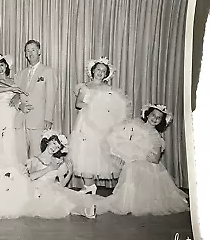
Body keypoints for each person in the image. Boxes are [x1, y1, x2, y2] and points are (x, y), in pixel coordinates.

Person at [96, 104, 189, 216]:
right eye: (153, 115)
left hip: (147, 164)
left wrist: (147, 156)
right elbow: (123, 138)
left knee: (137, 171)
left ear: (161, 121)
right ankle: (129, 200)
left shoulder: (155, 135)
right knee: (130, 169)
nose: (154, 119)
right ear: (147, 114)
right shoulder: (136, 124)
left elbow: (155, 159)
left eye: (158, 118)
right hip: (134, 161)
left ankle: (138, 201)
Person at [68, 57, 131, 193]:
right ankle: (88, 185)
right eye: (98, 69)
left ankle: (92, 186)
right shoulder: (85, 86)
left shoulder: (108, 89)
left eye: (103, 71)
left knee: (98, 151)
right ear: (93, 71)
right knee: (84, 151)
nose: (100, 72)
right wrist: (91, 106)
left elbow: (113, 106)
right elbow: (78, 104)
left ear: (106, 74)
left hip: (101, 123)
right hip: (85, 122)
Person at [25, 131, 98, 219]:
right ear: (48, 141)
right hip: (38, 190)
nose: (54, 148)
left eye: (58, 147)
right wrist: (49, 168)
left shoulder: (57, 161)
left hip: (53, 188)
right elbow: (31, 177)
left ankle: (86, 211)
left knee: (65, 199)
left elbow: (62, 184)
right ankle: (86, 211)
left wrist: (70, 173)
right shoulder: (35, 159)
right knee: (59, 202)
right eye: (54, 143)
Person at [11, 40, 57, 164]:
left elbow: (51, 96)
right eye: (27, 50)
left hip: (38, 119)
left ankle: (36, 181)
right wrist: (20, 106)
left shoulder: (48, 71)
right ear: (25, 54)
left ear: (39, 52)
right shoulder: (20, 74)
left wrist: (48, 118)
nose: (30, 53)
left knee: (36, 156)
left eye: (33, 50)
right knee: (20, 156)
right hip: (20, 120)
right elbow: (14, 96)